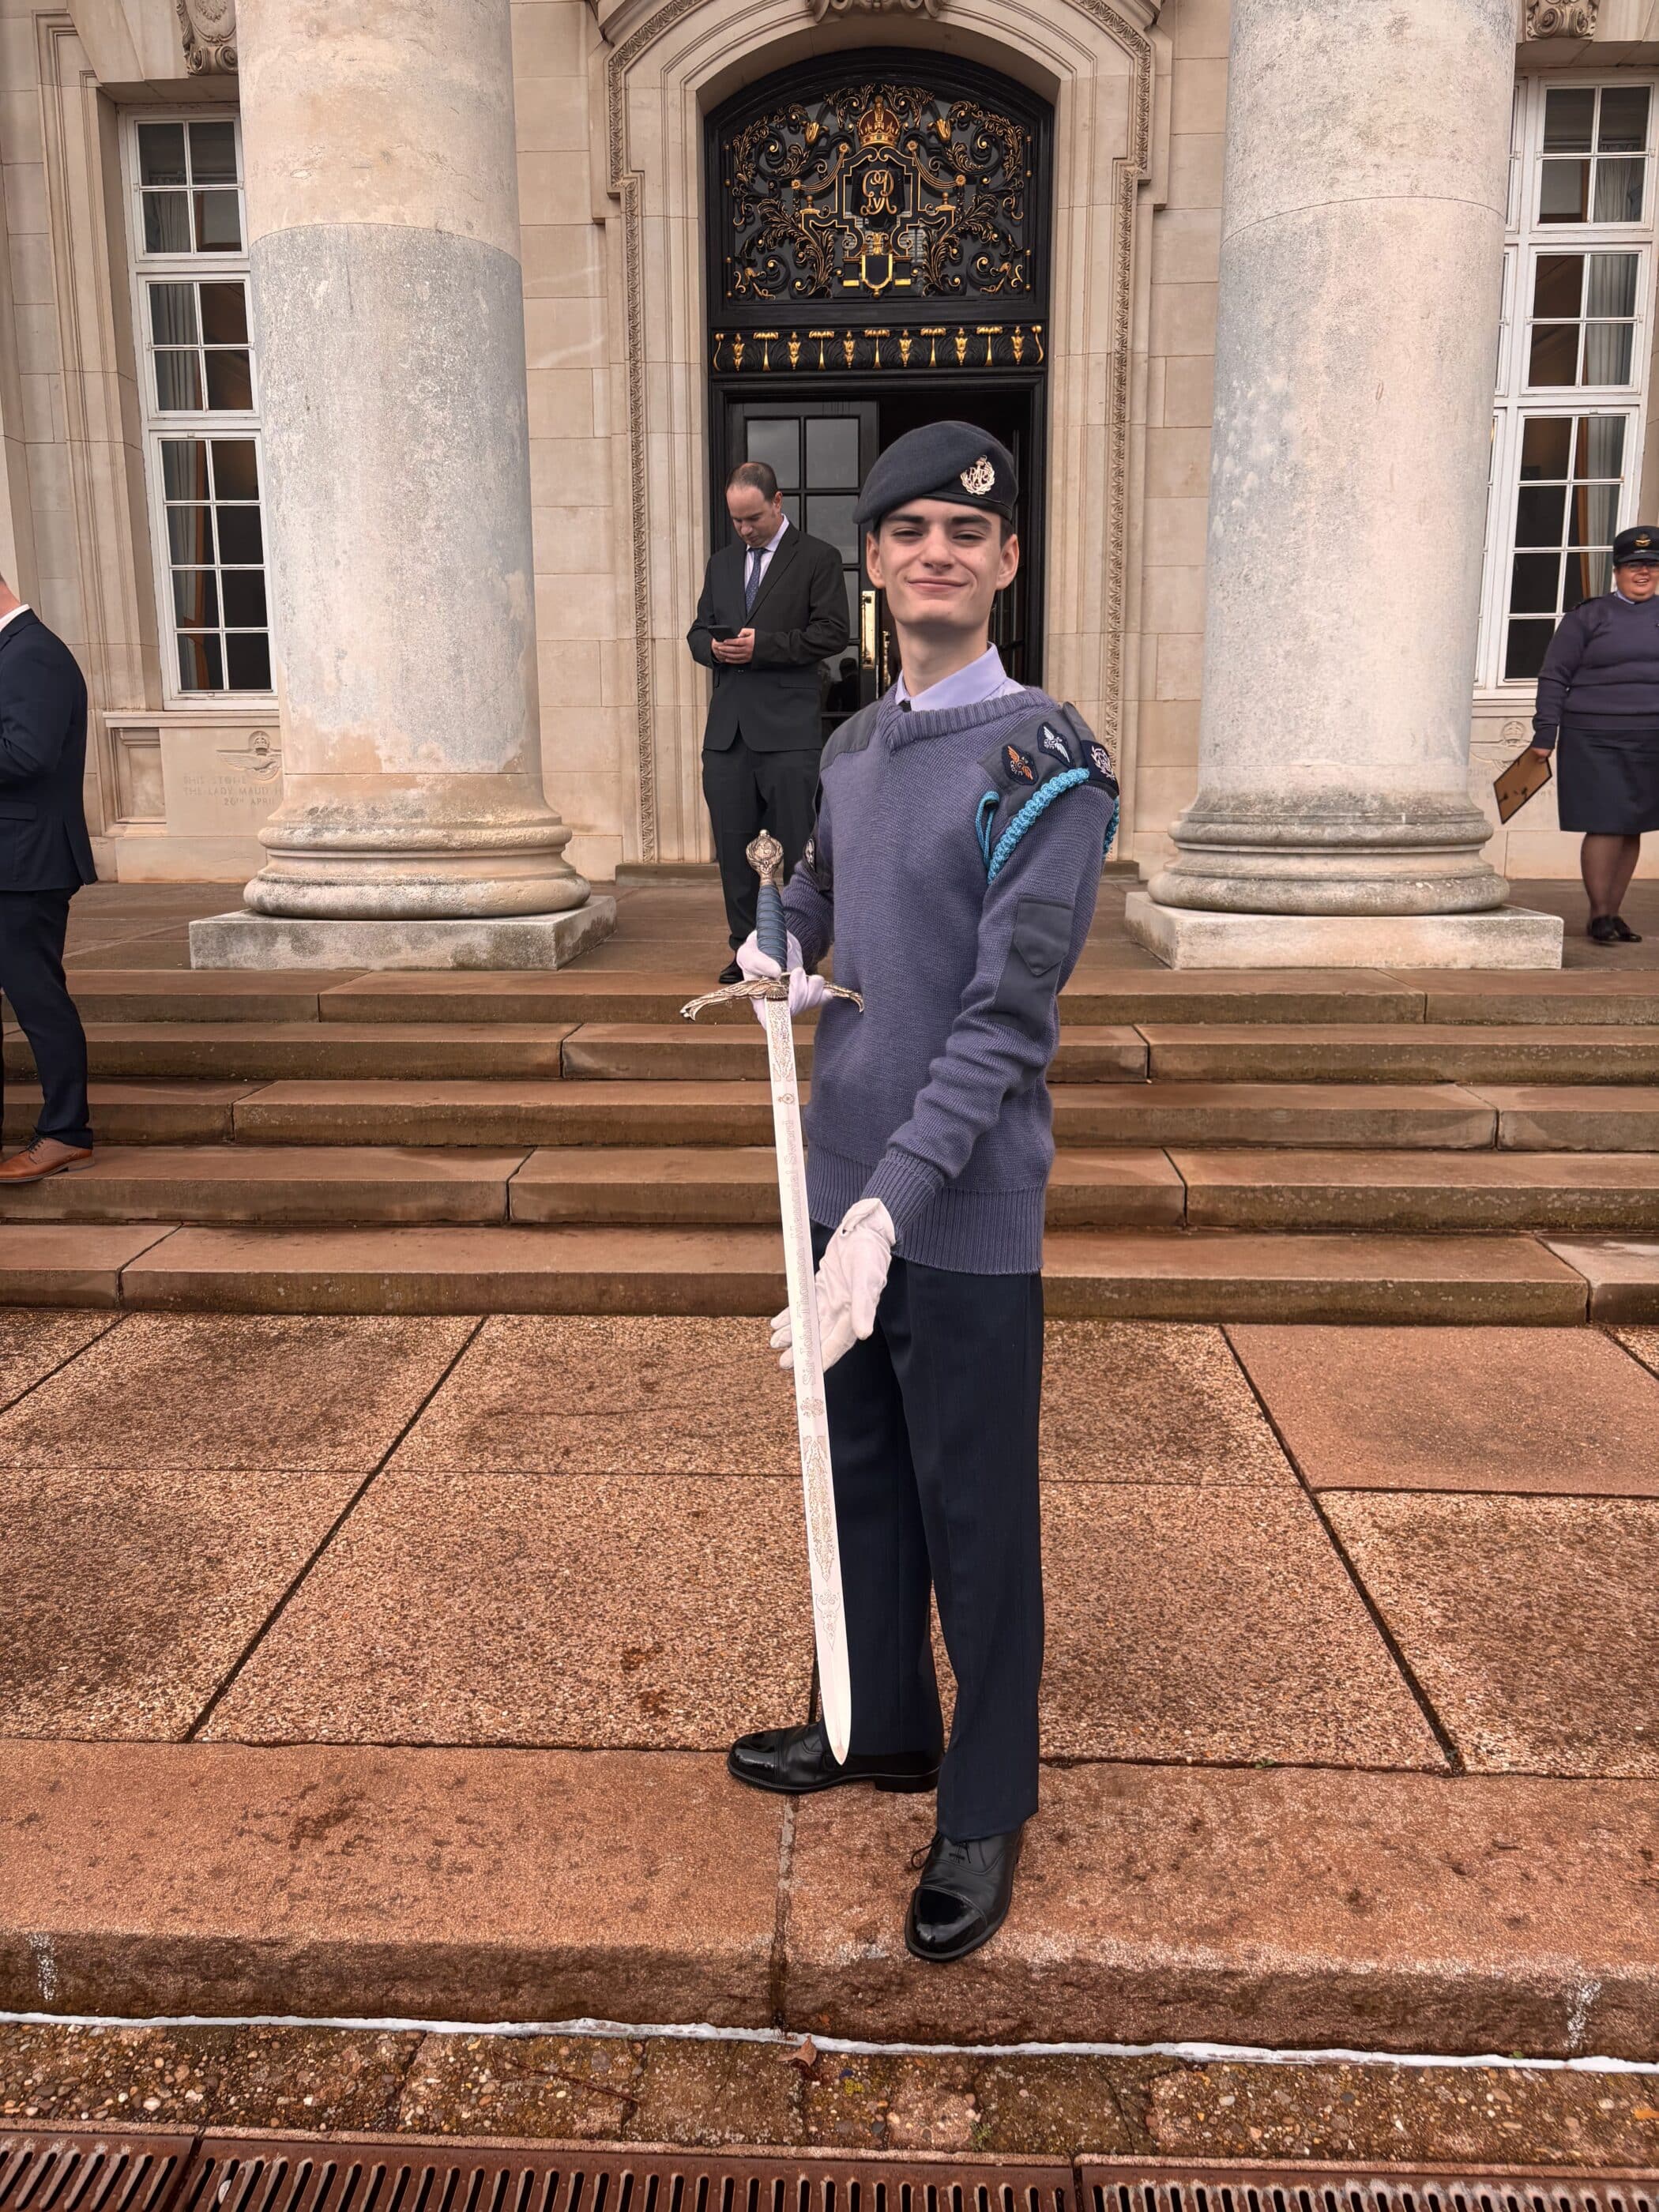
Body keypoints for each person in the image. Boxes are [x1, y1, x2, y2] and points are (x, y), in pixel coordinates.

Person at [722, 423, 1118, 1965]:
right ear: (874, 564)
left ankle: (985, 1791)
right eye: (909, 531)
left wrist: (890, 1210)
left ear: (1007, 560)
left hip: (952, 1208)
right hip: (837, 1177)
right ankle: (877, 1714)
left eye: (969, 528)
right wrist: (779, 942)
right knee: (860, 1471)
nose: (938, 551)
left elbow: (1004, 1022)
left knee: (975, 1514)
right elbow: (823, 887)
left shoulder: (1047, 765)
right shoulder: (855, 745)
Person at [688, 461, 849, 982]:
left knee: (797, 847)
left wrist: (764, 647)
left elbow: (832, 635)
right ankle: (746, 952)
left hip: (789, 732)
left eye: (753, 518)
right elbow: (696, 632)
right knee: (735, 852)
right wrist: (712, 647)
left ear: (778, 503)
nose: (744, 529)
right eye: (736, 521)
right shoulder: (721, 564)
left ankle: (796, 949)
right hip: (728, 733)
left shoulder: (818, 559)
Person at [0, 577, 95, 1184]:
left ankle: (66, 1132)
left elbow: (27, 755)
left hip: (26, 864)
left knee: (38, 1000)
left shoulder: (33, 653)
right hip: (13, 859)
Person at [1529, 523, 1659, 944]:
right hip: (1593, 736)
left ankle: (1615, 914)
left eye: (1652, 566)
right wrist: (1545, 734)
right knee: (1605, 823)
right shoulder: (1588, 616)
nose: (1644, 573)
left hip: (1651, 737)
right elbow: (1554, 676)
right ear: (1617, 571)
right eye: (1635, 565)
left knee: (1632, 825)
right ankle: (1599, 915)